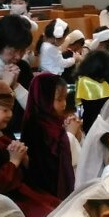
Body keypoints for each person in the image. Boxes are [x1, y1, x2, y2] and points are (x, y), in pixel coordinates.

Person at [0, 78, 60, 217]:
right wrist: (14, 161)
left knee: (59, 207)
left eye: (10, 109)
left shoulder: (6, 134)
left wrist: (24, 159)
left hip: (26, 192)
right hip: (9, 201)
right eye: (4, 110)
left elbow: (28, 174)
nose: (10, 114)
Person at [20, 73, 78, 201]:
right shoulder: (36, 125)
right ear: (43, 98)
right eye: (59, 100)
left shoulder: (53, 120)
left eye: (65, 99)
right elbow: (50, 162)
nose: (64, 104)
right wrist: (70, 135)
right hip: (47, 190)